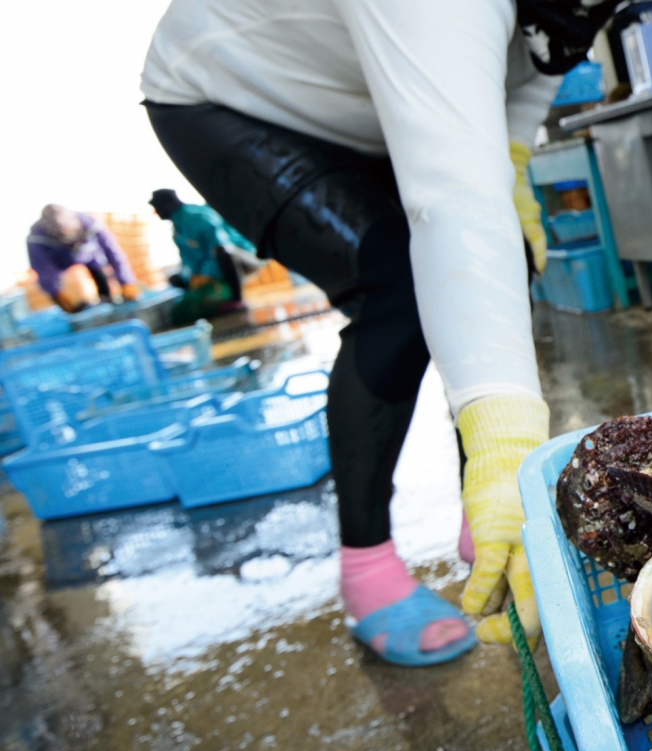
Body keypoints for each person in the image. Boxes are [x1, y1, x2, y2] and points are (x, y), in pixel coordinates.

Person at [141, 0, 618, 666]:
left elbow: (534, 61)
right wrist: (509, 435)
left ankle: (489, 518)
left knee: (501, 258)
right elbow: (450, 195)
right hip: (235, 96)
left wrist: (509, 161)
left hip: (380, 96)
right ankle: (366, 565)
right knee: (393, 284)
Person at [150, 188, 262, 316]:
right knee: (175, 278)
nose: (156, 212)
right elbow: (189, 261)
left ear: (166, 205)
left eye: (156, 207)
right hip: (211, 270)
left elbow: (219, 246)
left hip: (244, 259)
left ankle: (237, 300)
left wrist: (205, 274)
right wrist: (190, 277)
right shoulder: (177, 230)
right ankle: (217, 300)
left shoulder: (197, 216)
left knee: (224, 252)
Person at [26, 205, 140, 312]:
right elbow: (43, 269)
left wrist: (126, 282)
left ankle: (107, 299)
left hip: (90, 256)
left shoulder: (89, 222)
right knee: (70, 306)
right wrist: (56, 294)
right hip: (59, 260)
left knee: (100, 273)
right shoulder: (36, 238)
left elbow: (113, 252)